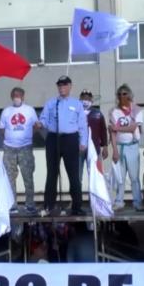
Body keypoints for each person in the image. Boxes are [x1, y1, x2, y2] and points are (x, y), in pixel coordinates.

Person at [39, 76, 88, 217]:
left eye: (65, 85)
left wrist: (83, 142)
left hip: (70, 139)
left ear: (70, 86)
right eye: (60, 85)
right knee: (52, 173)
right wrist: (40, 124)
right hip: (53, 138)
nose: (62, 88)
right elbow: (44, 119)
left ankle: (77, 206)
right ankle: (49, 205)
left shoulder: (77, 104)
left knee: (73, 174)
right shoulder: (51, 103)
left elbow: (82, 125)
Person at [0, 87, 39, 214]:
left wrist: (28, 136)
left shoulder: (30, 110)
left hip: (25, 148)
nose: (17, 98)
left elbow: (36, 126)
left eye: (19, 95)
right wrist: (10, 138)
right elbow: (1, 129)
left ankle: (30, 204)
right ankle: (12, 205)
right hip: (9, 149)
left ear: (23, 96)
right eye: (14, 95)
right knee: (9, 178)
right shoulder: (6, 111)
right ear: (11, 97)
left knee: (28, 176)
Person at [109, 84, 144, 211]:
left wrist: (117, 128)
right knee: (120, 177)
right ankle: (119, 201)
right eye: (119, 94)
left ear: (129, 95)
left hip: (132, 146)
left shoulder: (136, 110)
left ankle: (137, 202)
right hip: (119, 146)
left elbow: (133, 127)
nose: (121, 96)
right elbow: (112, 132)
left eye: (124, 93)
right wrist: (114, 150)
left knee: (134, 177)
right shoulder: (114, 111)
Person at [79, 90, 109, 183]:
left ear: (91, 100)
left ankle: (94, 193)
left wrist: (105, 147)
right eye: (83, 98)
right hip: (78, 148)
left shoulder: (98, 113)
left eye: (88, 98)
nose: (85, 100)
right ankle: (77, 193)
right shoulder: (76, 112)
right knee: (77, 175)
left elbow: (103, 130)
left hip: (94, 148)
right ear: (80, 99)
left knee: (95, 175)